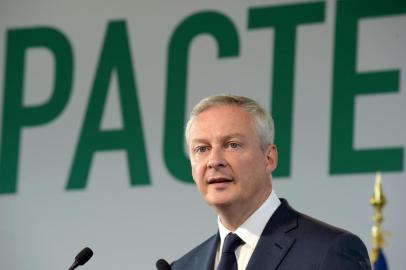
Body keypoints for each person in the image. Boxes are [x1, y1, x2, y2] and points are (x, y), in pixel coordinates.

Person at [170, 94, 371, 270]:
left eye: (232, 145)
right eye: (202, 149)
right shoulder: (182, 266)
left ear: (269, 158)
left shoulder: (329, 251)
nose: (214, 161)